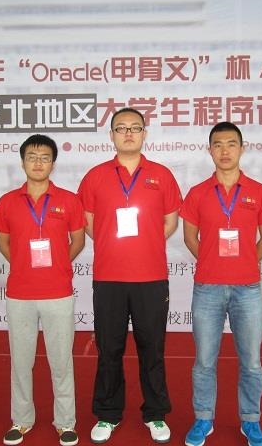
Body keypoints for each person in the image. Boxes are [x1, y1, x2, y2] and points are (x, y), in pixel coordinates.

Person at [77, 107, 182, 444]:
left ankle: (156, 412)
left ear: (144, 133)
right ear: (111, 135)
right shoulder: (95, 176)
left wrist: (144, 243)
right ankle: (108, 414)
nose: (128, 133)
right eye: (121, 128)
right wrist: (114, 243)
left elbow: (170, 222)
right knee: (109, 348)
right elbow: (88, 222)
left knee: (153, 348)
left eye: (135, 127)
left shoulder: (161, 175)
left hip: (151, 277)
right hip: (109, 277)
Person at [179, 122, 262, 446]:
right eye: (218, 144)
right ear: (209, 150)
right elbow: (190, 238)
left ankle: (251, 421)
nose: (225, 151)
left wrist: (244, 263)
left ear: (242, 148)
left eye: (231, 144)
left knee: (251, 361)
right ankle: (203, 418)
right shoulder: (197, 193)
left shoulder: (260, 192)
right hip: (207, 289)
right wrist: (213, 261)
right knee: (204, 361)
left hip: (247, 290)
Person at [0, 134, 86, 446]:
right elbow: (3, 242)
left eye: (45, 157)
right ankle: (21, 420)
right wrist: (23, 264)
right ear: (22, 162)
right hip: (20, 293)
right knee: (21, 361)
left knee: (61, 361)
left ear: (53, 163)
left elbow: (78, 240)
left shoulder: (69, 200)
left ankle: (66, 422)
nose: (38, 163)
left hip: (58, 292)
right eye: (32, 157)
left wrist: (58, 264)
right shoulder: (7, 202)